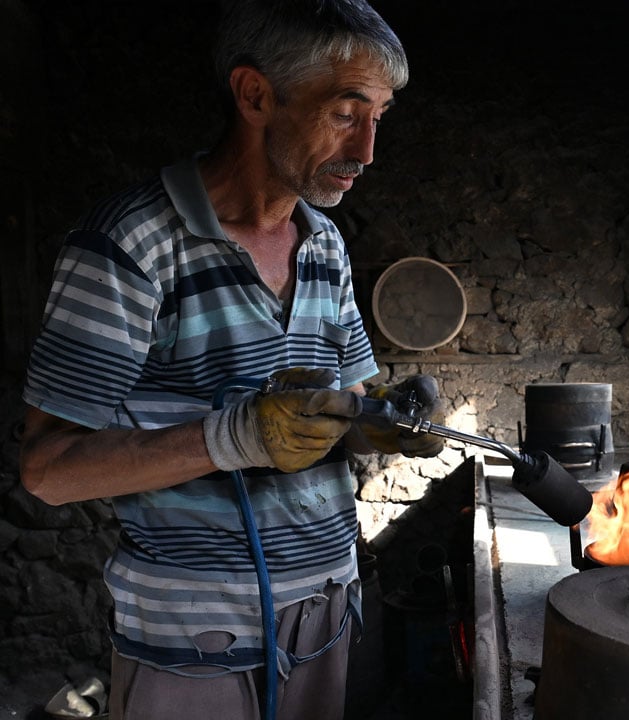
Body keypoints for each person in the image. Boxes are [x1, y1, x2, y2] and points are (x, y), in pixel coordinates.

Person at [18, 1, 442, 718]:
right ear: (255, 95)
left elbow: (350, 405)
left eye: (380, 116)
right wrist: (231, 438)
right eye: (345, 112)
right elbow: (48, 470)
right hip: (194, 640)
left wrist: (392, 419)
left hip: (326, 615)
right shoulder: (131, 245)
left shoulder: (325, 244)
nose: (368, 149)